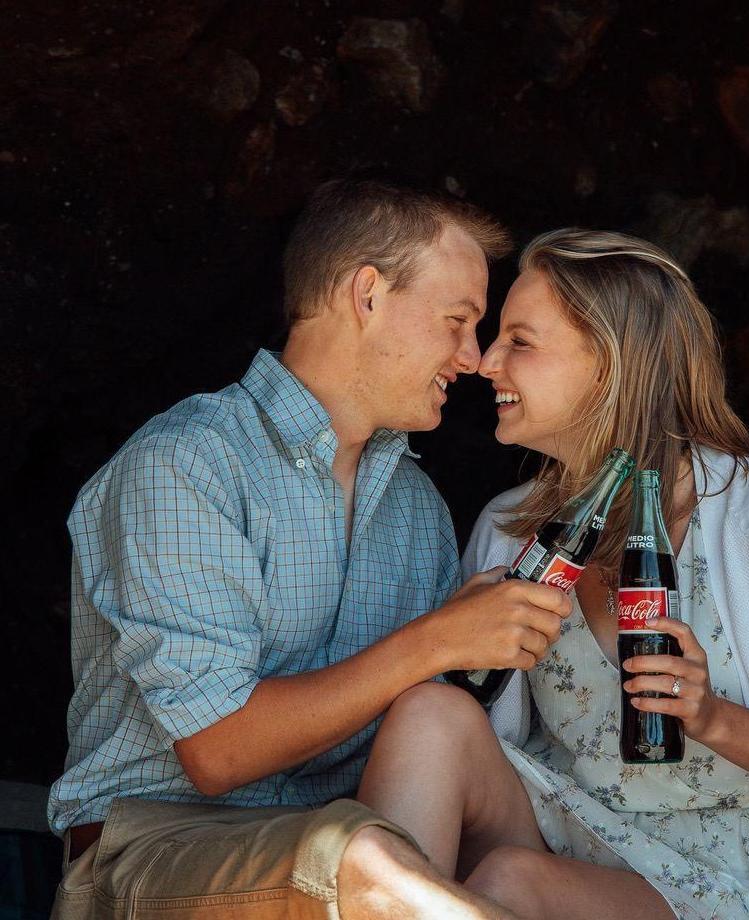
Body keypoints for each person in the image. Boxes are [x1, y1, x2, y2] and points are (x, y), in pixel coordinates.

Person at [47, 180, 575, 920]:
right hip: (156, 851)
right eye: (457, 321)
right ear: (367, 295)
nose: (472, 357)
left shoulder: (417, 509)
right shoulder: (184, 464)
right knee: (363, 863)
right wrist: (436, 640)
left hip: (358, 840)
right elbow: (219, 752)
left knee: (477, 861)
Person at [356, 228, 749, 919]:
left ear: (612, 365)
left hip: (719, 885)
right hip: (560, 837)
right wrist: (453, 645)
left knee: (505, 887)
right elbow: (478, 730)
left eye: (519, 342)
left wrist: (710, 717)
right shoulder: (507, 529)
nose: (485, 361)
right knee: (429, 715)